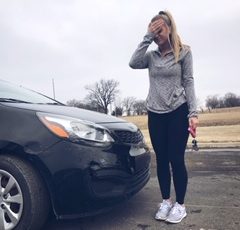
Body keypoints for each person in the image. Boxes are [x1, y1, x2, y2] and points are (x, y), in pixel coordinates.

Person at [129, 10, 198, 224]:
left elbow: (189, 82)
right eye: (153, 30)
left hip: (178, 111)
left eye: (159, 30)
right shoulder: (150, 56)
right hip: (155, 113)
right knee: (161, 159)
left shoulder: (184, 52)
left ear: (169, 28)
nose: (156, 34)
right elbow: (133, 62)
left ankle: (180, 205)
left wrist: (193, 113)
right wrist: (146, 37)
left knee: (176, 159)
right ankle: (166, 201)